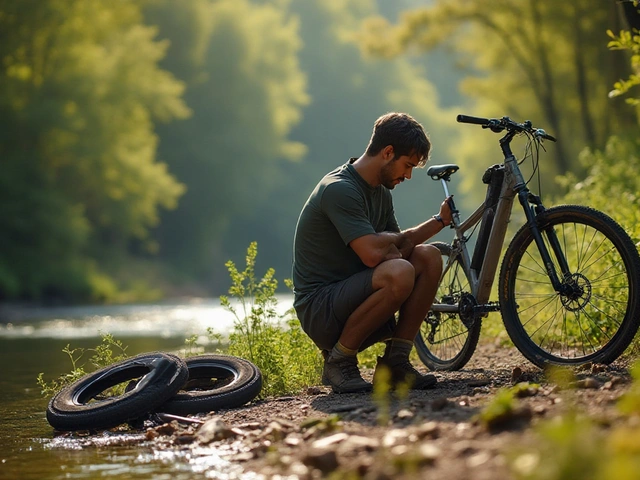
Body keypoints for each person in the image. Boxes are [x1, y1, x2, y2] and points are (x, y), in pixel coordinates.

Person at [292, 112, 453, 394]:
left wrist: (438, 222)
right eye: (407, 165)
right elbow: (371, 255)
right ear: (388, 152)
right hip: (321, 310)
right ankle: (338, 361)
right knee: (400, 272)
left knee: (428, 257)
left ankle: (396, 363)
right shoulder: (339, 189)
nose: (408, 175)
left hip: (356, 295)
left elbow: (400, 248)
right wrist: (388, 247)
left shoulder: (380, 192)